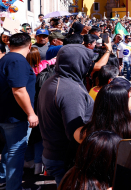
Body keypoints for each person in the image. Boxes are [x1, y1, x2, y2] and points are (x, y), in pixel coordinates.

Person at [38, 43, 95, 185]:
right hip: (65, 158)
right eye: (87, 62)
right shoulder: (70, 90)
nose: (89, 66)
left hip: (55, 153)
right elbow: (76, 133)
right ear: (78, 63)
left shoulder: (54, 80)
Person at [0, 33, 38, 190]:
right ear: (29, 46)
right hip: (15, 116)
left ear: (9, 45)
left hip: (8, 115)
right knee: (16, 151)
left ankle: (4, 179)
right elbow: (19, 90)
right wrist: (31, 113)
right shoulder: (17, 61)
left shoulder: (6, 59)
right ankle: (13, 187)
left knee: (10, 149)